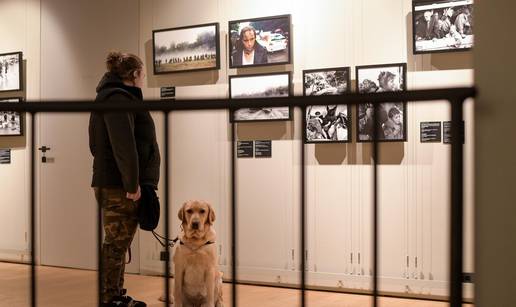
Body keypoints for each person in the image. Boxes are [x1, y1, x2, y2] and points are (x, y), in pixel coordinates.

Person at [89, 51, 160, 307]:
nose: (144, 79)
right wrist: (132, 184)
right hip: (120, 186)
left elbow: (96, 146)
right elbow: (124, 147)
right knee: (116, 244)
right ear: (134, 75)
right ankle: (110, 298)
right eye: (143, 74)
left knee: (118, 243)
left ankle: (115, 295)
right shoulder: (117, 99)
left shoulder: (113, 97)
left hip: (117, 183)